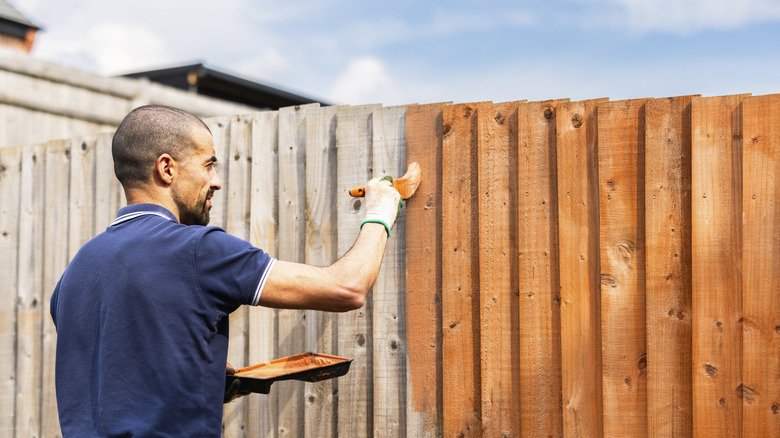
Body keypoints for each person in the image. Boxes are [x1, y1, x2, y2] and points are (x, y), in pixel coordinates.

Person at [50, 104, 404, 437]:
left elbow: (119, 363)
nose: (216, 181)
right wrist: (379, 212)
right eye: (208, 165)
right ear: (167, 168)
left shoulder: (75, 272)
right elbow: (347, 288)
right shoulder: (196, 249)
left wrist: (196, 377)